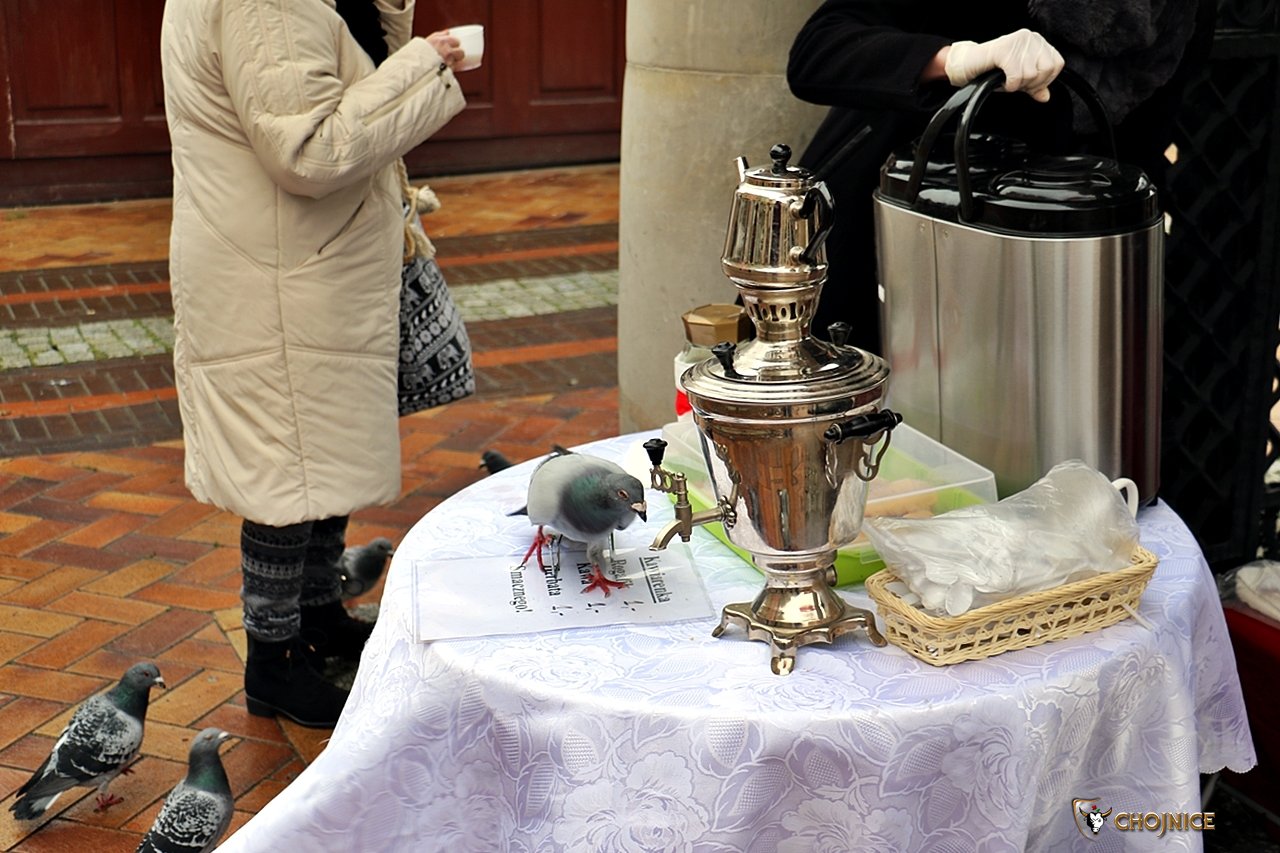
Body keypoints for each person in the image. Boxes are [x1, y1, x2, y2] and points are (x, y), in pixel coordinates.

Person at [160, 0, 468, 728]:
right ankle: (274, 660)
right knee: (287, 469)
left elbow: (343, 72)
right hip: (279, 265)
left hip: (302, 256)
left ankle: (320, 616)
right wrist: (425, 66)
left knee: (321, 448)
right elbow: (309, 149)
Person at [786, 0, 1216, 355]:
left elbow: (1141, 150)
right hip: (886, 242)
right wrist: (956, 59)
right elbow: (817, 51)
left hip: (1049, 276)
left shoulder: (1178, 11)